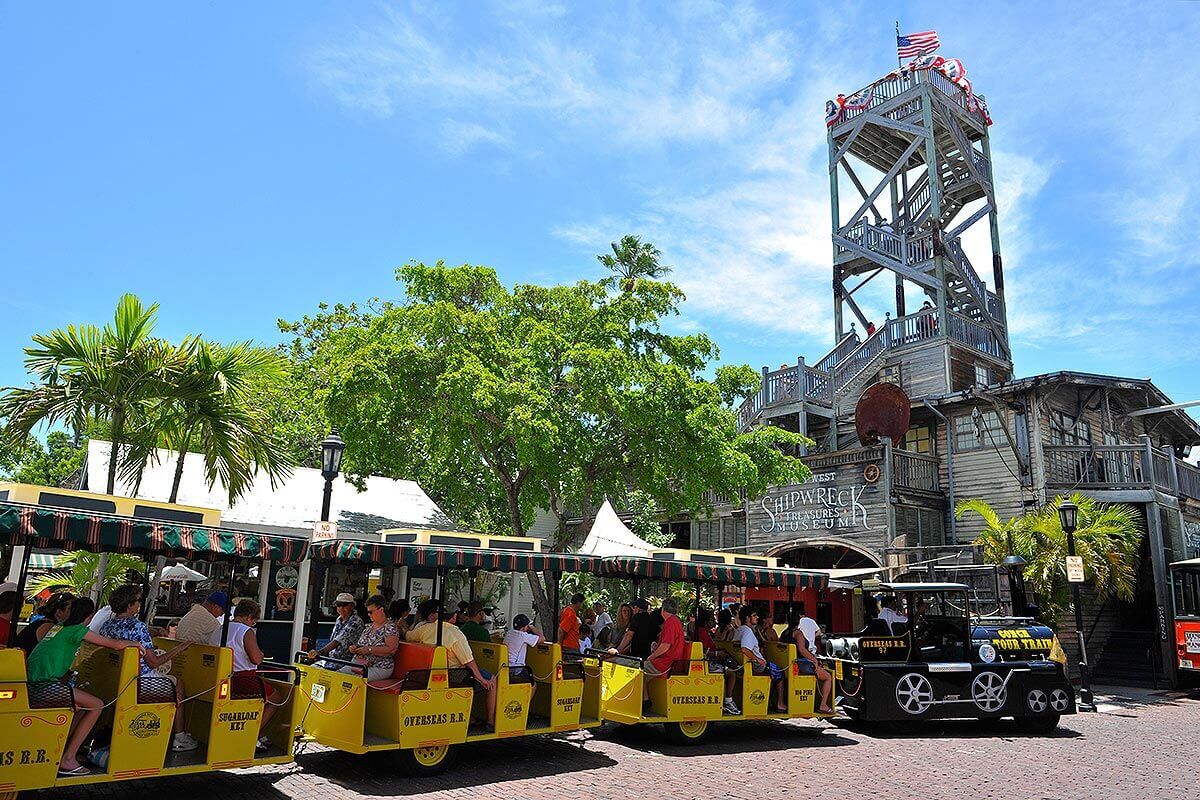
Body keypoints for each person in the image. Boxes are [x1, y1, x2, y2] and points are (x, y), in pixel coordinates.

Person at [28, 597, 146, 776]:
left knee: (83, 705)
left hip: (33, 682)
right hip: (44, 686)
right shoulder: (78, 630)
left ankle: (64, 749)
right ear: (89, 617)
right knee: (97, 705)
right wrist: (136, 644)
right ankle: (68, 758)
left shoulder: (58, 627)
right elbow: (115, 645)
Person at [99, 584, 197, 751]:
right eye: (138, 601)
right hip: (139, 682)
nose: (139, 604)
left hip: (113, 678)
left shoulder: (107, 625)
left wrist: (152, 631)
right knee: (177, 683)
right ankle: (180, 737)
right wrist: (179, 648)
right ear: (130, 605)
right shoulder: (138, 627)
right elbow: (154, 662)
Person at [406, 600, 497, 728]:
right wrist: (481, 679)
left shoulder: (425, 629)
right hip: (453, 676)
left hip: (428, 673)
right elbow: (469, 661)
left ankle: (470, 716)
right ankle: (490, 721)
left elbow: (408, 636)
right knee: (492, 679)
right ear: (454, 616)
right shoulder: (456, 634)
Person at [226, 600, 278, 750]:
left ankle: (258, 731)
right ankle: (253, 734)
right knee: (276, 698)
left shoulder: (222, 628)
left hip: (225, 678)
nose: (253, 624)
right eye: (254, 621)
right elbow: (256, 658)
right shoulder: (245, 631)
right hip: (243, 679)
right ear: (249, 617)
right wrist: (261, 655)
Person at [734, 606, 785, 713]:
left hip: (744, 664)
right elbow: (745, 649)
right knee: (780, 672)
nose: (757, 617)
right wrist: (758, 659)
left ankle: (770, 701)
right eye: (754, 616)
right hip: (756, 666)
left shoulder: (739, 629)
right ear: (748, 618)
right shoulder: (747, 632)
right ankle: (779, 703)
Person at [783, 612, 834, 714]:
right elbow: (802, 650)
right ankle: (823, 705)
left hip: (787, 663)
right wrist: (814, 660)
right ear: (798, 621)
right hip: (800, 664)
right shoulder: (798, 633)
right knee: (828, 677)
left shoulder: (785, 633)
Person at [341, 594, 399, 681]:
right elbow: (362, 645)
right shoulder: (369, 627)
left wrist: (369, 650)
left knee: (354, 681)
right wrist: (355, 648)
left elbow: (391, 650)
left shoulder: (390, 628)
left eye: (370, 612)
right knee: (337, 675)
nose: (368, 614)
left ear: (381, 610)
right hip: (360, 665)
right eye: (368, 612)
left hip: (379, 667)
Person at [642, 598, 685, 711]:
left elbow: (665, 646)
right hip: (670, 662)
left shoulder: (670, 622)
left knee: (636, 670)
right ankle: (645, 701)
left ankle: (645, 701)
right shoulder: (675, 621)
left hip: (665, 663)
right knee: (643, 676)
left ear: (663, 610)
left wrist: (651, 657)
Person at [307, 592, 365, 666]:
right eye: (338, 605)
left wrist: (320, 652)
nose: (341, 608)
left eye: (344, 605)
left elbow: (337, 641)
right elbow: (333, 639)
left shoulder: (356, 621)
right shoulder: (339, 619)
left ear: (352, 606)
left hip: (346, 661)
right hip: (332, 659)